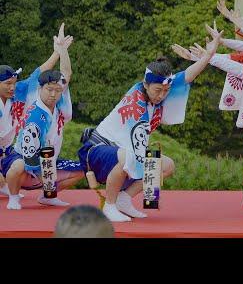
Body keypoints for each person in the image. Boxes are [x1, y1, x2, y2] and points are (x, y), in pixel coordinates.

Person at [77, 26, 221, 222]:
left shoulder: (161, 88)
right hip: (96, 151)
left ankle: (123, 199)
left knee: (166, 165)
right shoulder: (136, 104)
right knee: (129, 156)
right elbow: (135, 150)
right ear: (145, 84)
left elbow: (188, 75)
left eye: (166, 90)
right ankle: (109, 206)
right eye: (157, 90)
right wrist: (149, 178)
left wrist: (209, 55)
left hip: (124, 152)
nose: (162, 95)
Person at [4, 26, 83, 210]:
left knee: (81, 170)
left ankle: (48, 196)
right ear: (39, 89)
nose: (54, 94)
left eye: (57, 90)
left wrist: (62, 50)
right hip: (24, 161)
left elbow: (66, 73)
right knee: (17, 166)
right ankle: (14, 197)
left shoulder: (61, 100)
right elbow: (39, 73)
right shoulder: (32, 101)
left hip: (49, 162)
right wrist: (44, 175)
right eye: (49, 90)